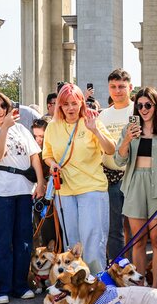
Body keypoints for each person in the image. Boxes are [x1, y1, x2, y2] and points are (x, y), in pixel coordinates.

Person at [0, 90, 45, 304]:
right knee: (3, 239)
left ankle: (20, 285)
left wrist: (40, 182)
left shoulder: (21, 128)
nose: (1, 111)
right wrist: (4, 129)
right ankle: (2, 286)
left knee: (23, 239)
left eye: (4, 106)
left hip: (24, 188)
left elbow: (34, 155)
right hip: (1, 190)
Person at [42, 83, 115, 273]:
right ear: (59, 106)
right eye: (65, 104)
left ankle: (97, 284)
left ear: (81, 103)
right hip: (65, 191)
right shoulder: (52, 126)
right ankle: (74, 285)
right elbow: (46, 154)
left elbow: (110, 149)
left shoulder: (92, 121)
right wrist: (52, 164)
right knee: (71, 243)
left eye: (74, 103)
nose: (70, 108)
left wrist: (95, 130)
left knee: (91, 241)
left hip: (91, 189)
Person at [116, 87, 157, 286]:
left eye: (148, 105)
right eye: (140, 105)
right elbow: (119, 160)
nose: (143, 109)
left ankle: (155, 287)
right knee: (138, 240)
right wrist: (127, 139)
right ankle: (140, 286)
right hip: (135, 184)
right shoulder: (129, 130)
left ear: (156, 106)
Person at [98, 69, 134, 261]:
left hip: (134, 175)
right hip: (111, 177)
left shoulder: (138, 109)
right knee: (115, 228)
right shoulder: (102, 115)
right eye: (113, 86)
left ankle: (137, 269)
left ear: (130, 87)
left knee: (135, 227)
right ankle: (119, 267)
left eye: (121, 86)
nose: (117, 90)